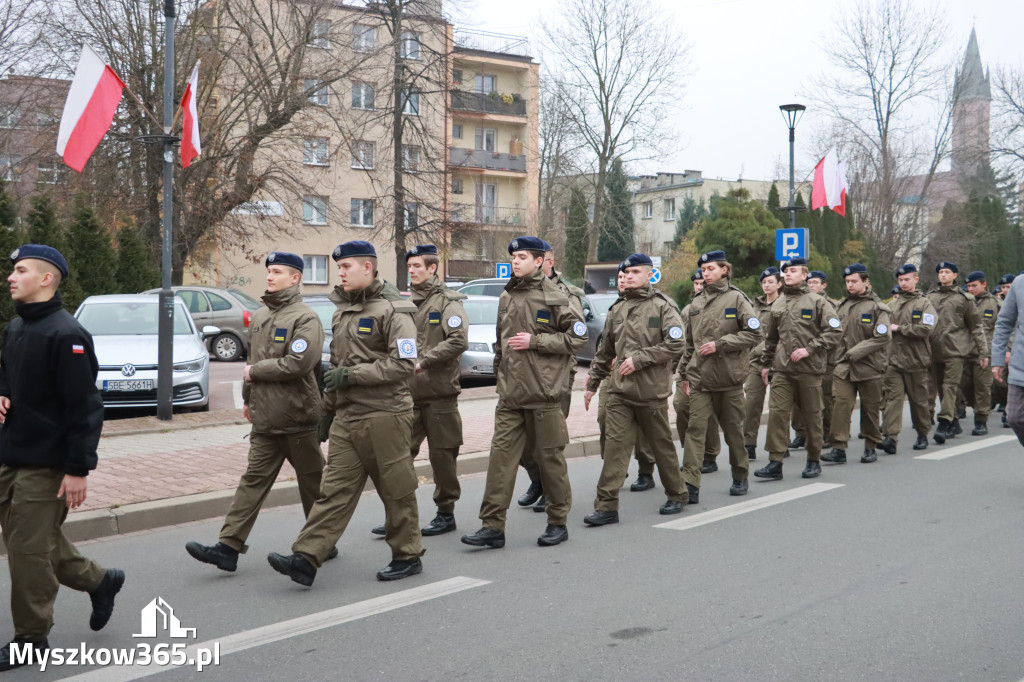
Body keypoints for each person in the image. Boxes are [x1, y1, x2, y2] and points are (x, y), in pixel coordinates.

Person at [267, 241, 424, 586]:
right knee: (333, 490)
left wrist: (352, 376)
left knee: (395, 489)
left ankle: (408, 554)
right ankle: (307, 557)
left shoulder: (395, 310)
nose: (340, 273)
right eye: (338, 267)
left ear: (367, 268)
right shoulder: (342, 312)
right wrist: (327, 411)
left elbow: (404, 364)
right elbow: (336, 365)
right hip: (347, 416)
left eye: (346, 267)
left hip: (386, 415)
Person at [0, 245, 124, 670]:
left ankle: (31, 638)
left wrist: (77, 469)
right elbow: (7, 373)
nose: (11, 278)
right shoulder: (16, 327)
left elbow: (85, 407)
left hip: (48, 463)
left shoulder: (66, 334)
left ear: (46, 279)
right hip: (12, 454)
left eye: (20, 271)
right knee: (34, 542)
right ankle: (100, 580)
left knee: (28, 552)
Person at [187, 252, 329, 571]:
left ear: (294, 278)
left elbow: (299, 364)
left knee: (314, 484)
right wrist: (249, 401)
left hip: (296, 418)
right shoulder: (262, 315)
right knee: (252, 482)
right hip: (265, 419)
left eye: (277, 272)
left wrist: (256, 374)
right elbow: (250, 365)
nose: (269, 276)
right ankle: (228, 547)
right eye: (268, 271)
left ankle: (321, 542)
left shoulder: (305, 318)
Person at [461, 237, 585, 548]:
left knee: (550, 460)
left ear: (540, 261)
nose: (515, 261)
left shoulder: (557, 295)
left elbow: (577, 337)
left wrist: (537, 342)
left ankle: (557, 522)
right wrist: (499, 375)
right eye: (514, 256)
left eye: (522, 256)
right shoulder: (507, 295)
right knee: (500, 461)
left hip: (543, 394)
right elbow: (501, 342)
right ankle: (492, 526)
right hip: (511, 396)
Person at [582, 253, 687, 525]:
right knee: (615, 449)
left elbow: (677, 344)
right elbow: (605, 351)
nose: (628, 277)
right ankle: (606, 507)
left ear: (649, 275)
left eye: (634, 273)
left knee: (661, 446)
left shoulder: (664, 307)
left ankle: (677, 494)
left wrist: (639, 359)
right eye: (625, 273)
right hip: (619, 392)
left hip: (650, 393)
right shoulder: (617, 309)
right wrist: (593, 383)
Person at [677, 251, 760, 498]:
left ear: (724, 269)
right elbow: (690, 344)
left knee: (734, 432)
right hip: (700, 378)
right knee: (695, 430)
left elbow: (755, 334)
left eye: (711, 268)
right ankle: (690, 485)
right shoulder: (696, 303)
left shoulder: (737, 299)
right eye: (703, 269)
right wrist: (682, 374)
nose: (706, 273)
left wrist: (721, 344)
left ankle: (740, 475)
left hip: (729, 379)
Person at [754, 257, 841, 480]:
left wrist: (810, 349)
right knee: (777, 414)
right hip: (782, 369)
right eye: (786, 272)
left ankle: (813, 460)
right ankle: (775, 462)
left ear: (805, 275)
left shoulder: (818, 302)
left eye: (793, 271)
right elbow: (771, 338)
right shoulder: (779, 303)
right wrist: (766, 364)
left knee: (812, 416)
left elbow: (834, 332)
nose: (789, 274)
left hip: (809, 370)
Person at [403, 244, 469, 535]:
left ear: (432, 268)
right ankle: (400, 513)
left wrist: (425, 361)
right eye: (410, 266)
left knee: (442, 457)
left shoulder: (447, 303)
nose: (412, 271)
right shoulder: (403, 304)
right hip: (407, 395)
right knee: (399, 455)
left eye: (418, 266)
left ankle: (445, 512)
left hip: (440, 394)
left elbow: (458, 340)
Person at [517, 246, 586, 512]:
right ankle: (539, 481)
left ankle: (550, 492)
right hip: (523, 378)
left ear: (547, 262)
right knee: (522, 443)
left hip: (555, 377)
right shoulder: (519, 291)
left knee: (548, 441)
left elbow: (576, 338)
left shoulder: (566, 294)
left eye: (537, 259)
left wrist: (537, 342)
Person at [597, 264, 658, 492]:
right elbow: (605, 345)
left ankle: (646, 470)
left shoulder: (653, 305)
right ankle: (614, 469)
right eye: (620, 276)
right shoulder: (616, 308)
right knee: (605, 419)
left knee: (642, 426)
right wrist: (595, 377)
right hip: (613, 377)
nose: (623, 280)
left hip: (642, 375)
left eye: (628, 275)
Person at [822, 264, 890, 464]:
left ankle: (870, 446)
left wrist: (856, 352)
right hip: (843, 366)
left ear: (865, 281)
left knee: (870, 409)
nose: (850, 285)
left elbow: (883, 337)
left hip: (870, 366)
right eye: (847, 282)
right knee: (840, 406)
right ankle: (838, 448)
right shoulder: (842, 306)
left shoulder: (878, 308)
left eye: (854, 281)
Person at [926, 261, 988, 444]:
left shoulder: (964, 299)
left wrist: (983, 353)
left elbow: (976, 327)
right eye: (941, 272)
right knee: (941, 390)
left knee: (950, 386)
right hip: (935, 351)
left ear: (954, 275)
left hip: (956, 350)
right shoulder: (929, 298)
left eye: (947, 272)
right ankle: (953, 421)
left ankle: (944, 422)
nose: (943, 275)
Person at [879, 264, 938, 454]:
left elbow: (927, 328)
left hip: (916, 360)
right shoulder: (891, 305)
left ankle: (922, 434)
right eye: (901, 280)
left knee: (919, 401)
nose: (903, 283)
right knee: (892, 400)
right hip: (893, 360)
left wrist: (900, 328)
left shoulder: (924, 304)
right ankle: (890, 438)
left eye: (907, 279)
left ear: (916, 279)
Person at [675, 268, 723, 482]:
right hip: (687, 367)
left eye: (702, 283)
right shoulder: (687, 310)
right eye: (696, 283)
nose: (699, 286)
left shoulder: (719, 306)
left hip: (711, 368)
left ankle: (710, 454)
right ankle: (691, 453)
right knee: (681, 405)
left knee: (707, 412)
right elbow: (681, 342)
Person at [790, 270, 839, 449]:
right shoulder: (795, 303)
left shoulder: (831, 305)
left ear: (823, 285)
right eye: (809, 282)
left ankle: (826, 434)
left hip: (825, 360)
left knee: (824, 400)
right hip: (799, 361)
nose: (811, 285)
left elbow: (835, 333)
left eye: (815, 282)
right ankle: (800, 433)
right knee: (797, 401)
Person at [742, 266, 782, 460]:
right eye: (764, 282)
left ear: (779, 284)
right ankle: (748, 444)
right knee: (751, 404)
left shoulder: (784, 305)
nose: (766, 285)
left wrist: (760, 350)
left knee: (779, 408)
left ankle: (780, 444)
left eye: (771, 282)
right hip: (756, 363)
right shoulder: (754, 306)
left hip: (780, 362)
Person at [958, 271, 1000, 436]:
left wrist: (1005, 350)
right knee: (964, 386)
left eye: (974, 285)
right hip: (964, 352)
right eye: (968, 286)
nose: (971, 289)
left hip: (984, 353)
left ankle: (981, 421)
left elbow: (1006, 328)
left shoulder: (995, 304)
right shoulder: (964, 303)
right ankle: (978, 407)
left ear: (984, 284)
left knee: (982, 387)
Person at [992, 273, 1024, 444]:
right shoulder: (1019, 284)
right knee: (1015, 417)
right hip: (1020, 365)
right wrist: (997, 359)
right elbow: (1004, 322)